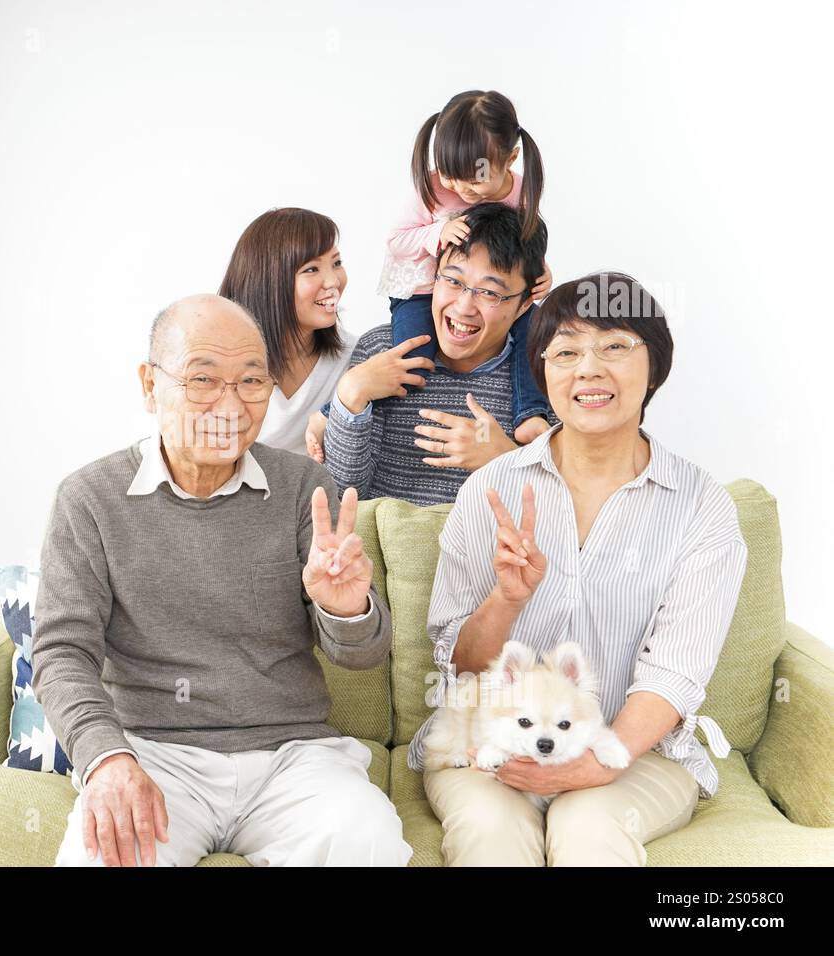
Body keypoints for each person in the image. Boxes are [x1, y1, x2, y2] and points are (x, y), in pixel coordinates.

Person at [32, 292, 412, 867]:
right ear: (149, 383)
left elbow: (361, 655)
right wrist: (106, 760)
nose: (231, 406)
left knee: (368, 839)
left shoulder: (302, 487)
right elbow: (61, 653)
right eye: (203, 379)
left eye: (252, 382)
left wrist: (345, 610)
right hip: (154, 755)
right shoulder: (90, 498)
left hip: (293, 757)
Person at [408, 272, 747, 865]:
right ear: (544, 373)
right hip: (488, 743)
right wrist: (507, 600)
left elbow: (674, 673)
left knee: (588, 827)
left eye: (614, 346)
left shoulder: (701, 506)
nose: (588, 370)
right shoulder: (491, 489)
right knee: (491, 832)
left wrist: (591, 765)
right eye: (565, 352)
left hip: (636, 753)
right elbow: (457, 660)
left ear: (655, 365)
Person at [322, 202, 555, 505]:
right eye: (454, 281)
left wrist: (505, 460)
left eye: (490, 292)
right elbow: (341, 501)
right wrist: (350, 396)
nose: (463, 307)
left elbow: (563, 515)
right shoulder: (383, 352)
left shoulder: (547, 373)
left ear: (524, 305)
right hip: (379, 548)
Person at [219, 207, 358, 455]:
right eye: (312, 269)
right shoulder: (220, 368)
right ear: (269, 281)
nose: (333, 281)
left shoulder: (354, 359)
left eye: (336, 263)